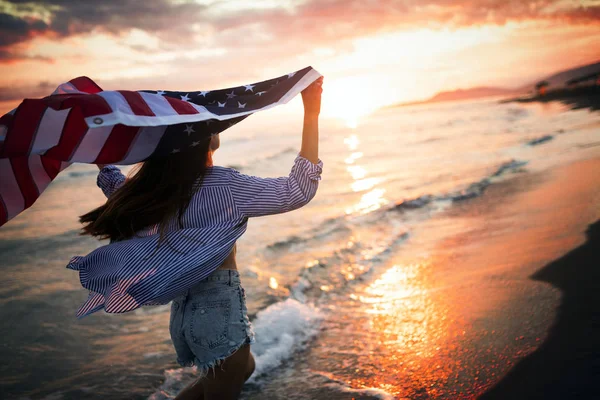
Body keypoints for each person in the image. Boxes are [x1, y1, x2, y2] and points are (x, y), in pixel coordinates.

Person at [78, 76, 324, 400]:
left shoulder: (151, 192)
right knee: (229, 381)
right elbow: (297, 190)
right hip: (219, 312)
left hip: (184, 317)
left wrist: (99, 137)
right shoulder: (224, 186)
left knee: (243, 369)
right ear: (201, 141)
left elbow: (112, 181)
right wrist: (311, 113)